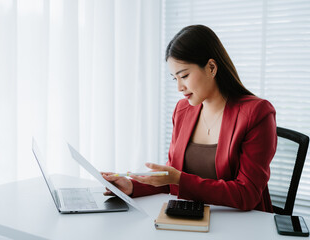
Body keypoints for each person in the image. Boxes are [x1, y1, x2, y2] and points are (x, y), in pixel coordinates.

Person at [102, 25, 277, 212]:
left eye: (184, 76)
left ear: (211, 67)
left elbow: (246, 194)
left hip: (243, 225)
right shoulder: (182, 110)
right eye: (174, 78)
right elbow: (171, 179)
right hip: (193, 220)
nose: (179, 87)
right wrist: (132, 187)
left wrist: (178, 179)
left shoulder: (257, 113)